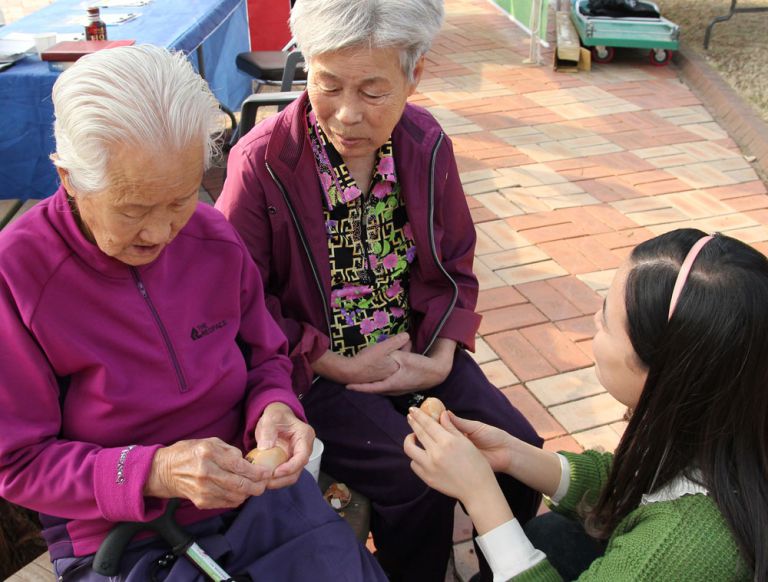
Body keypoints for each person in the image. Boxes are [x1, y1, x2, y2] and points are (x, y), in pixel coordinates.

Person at [0, 45, 386, 581]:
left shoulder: (212, 238)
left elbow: (264, 355)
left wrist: (274, 408)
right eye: (133, 209)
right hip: (120, 534)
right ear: (69, 179)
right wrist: (154, 471)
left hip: (254, 495)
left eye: (181, 199)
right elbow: (18, 462)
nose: (160, 234)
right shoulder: (16, 275)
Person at [215, 0, 543, 580]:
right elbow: (236, 300)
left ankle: (502, 569)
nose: (346, 114)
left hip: (416, 351)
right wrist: (327, 359)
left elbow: (456, 262)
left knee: (519, 449)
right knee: (415, 480)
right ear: (306, 66)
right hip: (316, 373)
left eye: (372, 92)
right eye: (327, 84)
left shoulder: (426, 143)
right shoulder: (261, 163)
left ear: (413, 75)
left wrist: (441, 355)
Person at [405, 228, 767, 581]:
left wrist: (480, 494)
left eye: (608, 320)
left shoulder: (678, 550)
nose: (595, 319)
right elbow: (636, 483)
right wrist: (511, 454)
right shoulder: (725, 421)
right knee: (554, 535)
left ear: (664, 373)